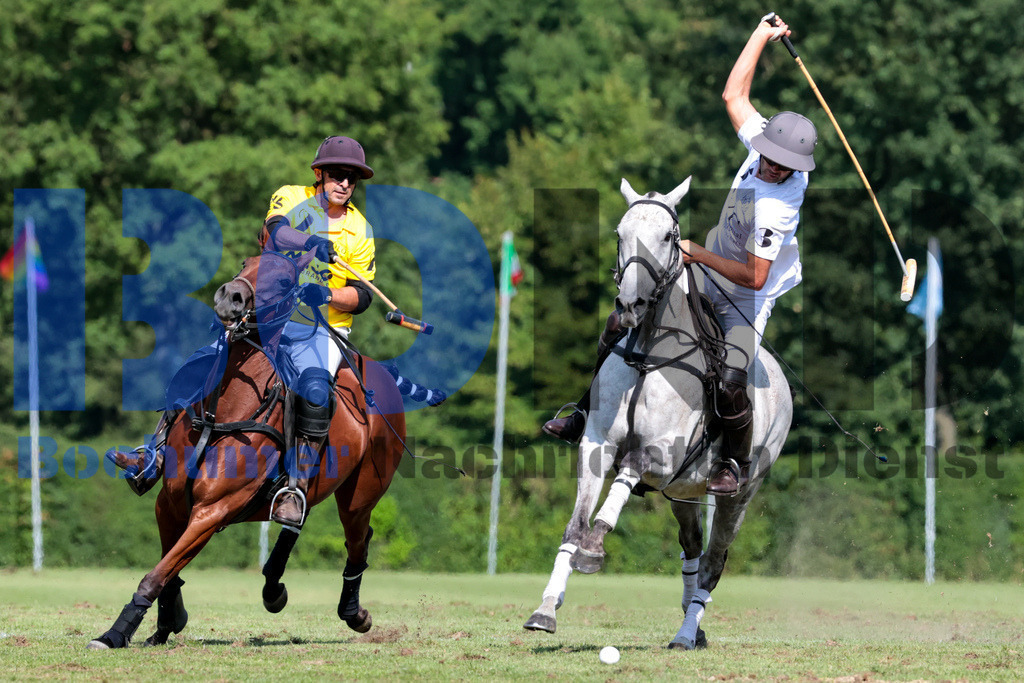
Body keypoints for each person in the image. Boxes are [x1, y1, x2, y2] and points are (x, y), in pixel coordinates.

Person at [543, 15, 816, 497]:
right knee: (624, 319)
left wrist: (697, 254)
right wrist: (761, 35)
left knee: (730, 377)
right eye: (770, 158)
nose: (772, 167)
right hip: (708, 268)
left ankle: (733, 462)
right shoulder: (763, 146)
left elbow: (754, 277)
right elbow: (734, 96)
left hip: (747, 298)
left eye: (783, 165)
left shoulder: (779, 207)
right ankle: (585, 412)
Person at [111, 136, 377, 527]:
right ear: (320, 173)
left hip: (321, 329)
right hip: (270, 316)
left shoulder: (360, 229)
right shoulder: (292, 196)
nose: (345, 183)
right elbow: (277, 231)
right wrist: (311, 242)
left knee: (316, 390)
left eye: (353, 178)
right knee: (203, 361)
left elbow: (363, 296)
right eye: (338, 174)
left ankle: (296, 489)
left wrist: (327, 294)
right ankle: (155, 454)